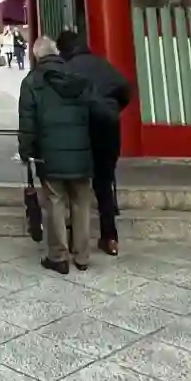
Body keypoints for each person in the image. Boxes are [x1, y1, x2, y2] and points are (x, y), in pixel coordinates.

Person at [18, 35, 96, 273]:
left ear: (36, 55)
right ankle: (82, 256)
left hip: (49, 152)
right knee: (81, 202)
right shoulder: (77, 76)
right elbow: (94, 113)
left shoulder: (32, 81)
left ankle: (58, 256)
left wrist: (26, 151)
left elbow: (27, 123)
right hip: (81, 150)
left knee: (55, 202)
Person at [57, 27, 132, 256]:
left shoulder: (67, 69)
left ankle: (75, 238)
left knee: (75, 184)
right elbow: (125, 88)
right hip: (109, 127)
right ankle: (110, 238)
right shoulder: (103, 65)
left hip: (81, 129)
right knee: (104, 182)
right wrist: (113, 108)